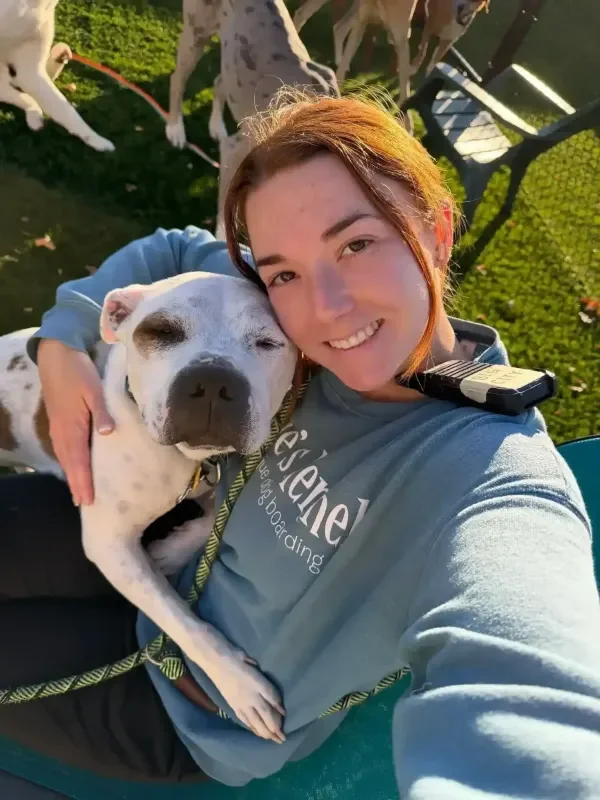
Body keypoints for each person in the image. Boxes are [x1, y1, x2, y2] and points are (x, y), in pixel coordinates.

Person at [1, 90, 600, 796]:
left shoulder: (487, 476)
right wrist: (65, 337)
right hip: (157, 570)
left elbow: (525, 678)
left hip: (187, 710)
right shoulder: (287, 330)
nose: (326, 306)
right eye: (283, 270)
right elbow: (171, 250)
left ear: (437, 233)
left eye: (356, 244)